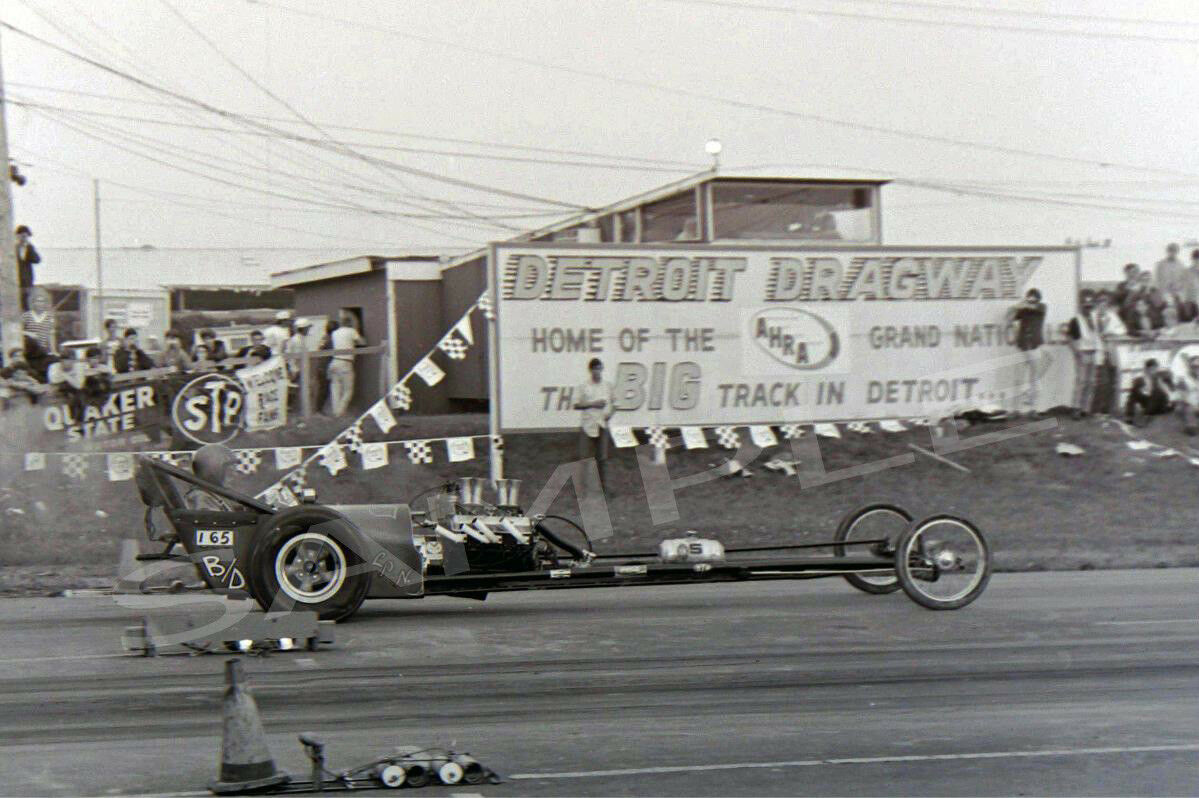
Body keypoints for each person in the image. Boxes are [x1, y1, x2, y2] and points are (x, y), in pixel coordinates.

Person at [574, 357, 614, 495]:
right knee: (584, 458)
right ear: (590, 370)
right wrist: (593, 403)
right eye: (595, 369)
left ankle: (605, 489)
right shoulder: (584, 386)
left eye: (599, 368)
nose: (597, 372)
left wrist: (610, 414)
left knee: (602, 459)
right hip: (587, 425)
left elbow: (615, 403)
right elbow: (576, 404)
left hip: (602, 425)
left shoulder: (607, 386)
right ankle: (581, 490)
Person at [1006, 288, 1046, 414]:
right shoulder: (1022, 310)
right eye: (1030, 296)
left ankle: (1034, 408)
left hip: (1034, 346)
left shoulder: (1042, 307)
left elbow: (1035, 308)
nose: (1031, 299)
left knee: (1035, 379)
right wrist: (1019, 306)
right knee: (1018, 379)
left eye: (1033, 297)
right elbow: (1009, 318)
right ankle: (1015, 409)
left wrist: (1024, 305)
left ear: (1038, 298)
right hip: (1022, 346)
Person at [327, 313, 364, 416]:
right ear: (350, 323)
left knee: (335, 389)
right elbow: (362, 342)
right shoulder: (351, 331)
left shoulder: (335, 333)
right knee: (348, 389)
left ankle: (335, 412)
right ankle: (340, 412)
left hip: (335, 361)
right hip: (345, 363)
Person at [186, 444, 236, 511]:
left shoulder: (209, 496)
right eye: (229, 471)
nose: (234, 474)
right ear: (213, 471)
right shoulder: (202, 498)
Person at [1124, 358, 1173, 426]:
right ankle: (1146, 416)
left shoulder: (1158, 379)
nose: (1155, 371)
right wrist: (1129, 415)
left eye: (1156, 369)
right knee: (1157, 391)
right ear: (1147, 369)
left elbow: (1168, 390)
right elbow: (1131, 399)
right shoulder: (1139, 381)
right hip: (1147, 406)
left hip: (1160, 406)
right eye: (1153, 369)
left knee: (1161, 392)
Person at [21, 287, 56, 357]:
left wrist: (53, 351)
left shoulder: (50, 317)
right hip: (30, 351)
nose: (40, 303)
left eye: (42, 301)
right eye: (37, 301)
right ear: (33, 302)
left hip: (44, 351)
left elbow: (51, 335)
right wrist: (28, 333)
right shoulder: (26, 316)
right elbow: (18, 331)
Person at [15, 225, 40, 312]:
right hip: (15, 282)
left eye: (26, 236)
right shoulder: (12, 248)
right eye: (22, 236)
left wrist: (29, 248)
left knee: (27, 307)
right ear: (17, 236)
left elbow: (37, 260)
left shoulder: (29, 248)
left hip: (27, 282)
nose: (24, 238)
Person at [1174, 354, 1199, 436]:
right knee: (1192, 432)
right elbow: (1181, 397)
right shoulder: (1183, 379)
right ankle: (1190, 425)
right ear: (1190, 367)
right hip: (1187, 404)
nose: (1197, 368)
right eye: (1194, 366)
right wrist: (1194, 405)